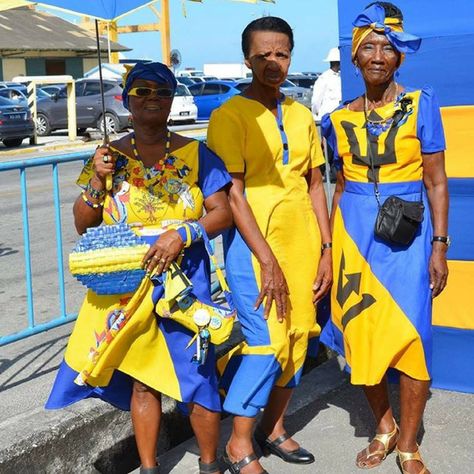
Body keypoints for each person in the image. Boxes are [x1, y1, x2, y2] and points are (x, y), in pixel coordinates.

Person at [45, 62, 233, 474]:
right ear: (126, 100)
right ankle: (149, 468)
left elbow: (222, 213)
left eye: (161, 92)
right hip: (127, 284)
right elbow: (83, 222)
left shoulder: (196, 153)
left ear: (172, 99)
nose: (151, 99)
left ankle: (210, 464)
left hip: (184, 281)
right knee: (143, 379)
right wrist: (97, 180)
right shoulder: (108, 157)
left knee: (199, 376)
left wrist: (182, 234)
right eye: (141, 91)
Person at [321, 3, 449, 474]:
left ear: (399, 58)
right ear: (355, 59)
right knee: (362, 334)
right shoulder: (335, 120)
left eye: (387, 48)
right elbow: (336, 186)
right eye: (368, 47)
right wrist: (329, 249)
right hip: (354, 237)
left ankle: (410, 444)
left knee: (411, 336)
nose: (378, 55)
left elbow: (436, 181)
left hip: (407, 237)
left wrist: (439, 244)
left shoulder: (421, 104)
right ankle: (384, 426)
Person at [207, 16, 333, 474]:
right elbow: (233, 192)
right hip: (253, 242)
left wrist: (326, 248)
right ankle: (239, 444)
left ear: (290, 57)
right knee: (266, 341)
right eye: (263, 55)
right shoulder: (229, 116)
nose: (273, 62)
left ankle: (273, 427)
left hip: (302, 239)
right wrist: (266, 259)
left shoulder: (301, 115)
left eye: (281, 54)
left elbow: (315, 184)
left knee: (299, 337)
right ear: (247, 59)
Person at [311, 47, 342, 121]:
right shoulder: (324, 78)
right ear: (336, 62)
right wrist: (316, 113)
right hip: (327, 117)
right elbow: (316, 100)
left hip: (340, 117)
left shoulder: (342, 77)